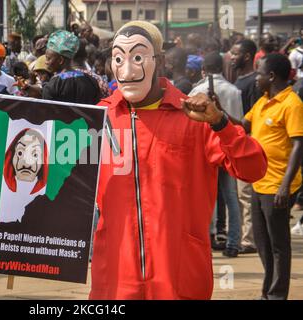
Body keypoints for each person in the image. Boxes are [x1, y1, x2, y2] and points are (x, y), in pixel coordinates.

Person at [89, 21, 267, 300]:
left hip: (178, 276)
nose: (127, 70)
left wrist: (221, 123)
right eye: (118, 58)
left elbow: (253, 169)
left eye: (137, 57)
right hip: (115, 277)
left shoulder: (195, 116)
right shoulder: (98, 119)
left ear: (159, 62)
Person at [238, 54, 303, 300]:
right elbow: (241, 127)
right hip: (259, 181)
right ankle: (268, 291)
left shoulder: (292, 104)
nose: (257, 78)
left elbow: (299, 144)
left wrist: (285, 187)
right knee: (263, 243)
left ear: (272, 76)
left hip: (277, 185)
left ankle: (277, 295)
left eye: (260, 73)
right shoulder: (264, 101)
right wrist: (218, 113)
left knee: (278, 245)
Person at [189, 52, 244, 258]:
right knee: (231, 197)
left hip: (207, 149)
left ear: (204, 68)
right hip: (228, 146)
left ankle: (209, 237)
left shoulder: (197, 90)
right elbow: (238, 122)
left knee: (207, 195)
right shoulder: (234, 90)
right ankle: (233, 242)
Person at [230, 39, 262, 254]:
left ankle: (249, 240)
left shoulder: (252, 83)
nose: (232, 57)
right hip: (237, 144)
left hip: (248, 144)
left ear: (247, 56)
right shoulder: (238, 80)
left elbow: (252, 119)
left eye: (235, 53)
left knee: (245, 195)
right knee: (240, 196)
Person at [42, 30, 101, 105]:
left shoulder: (53, 86)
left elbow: (48, 113)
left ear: (60, 60)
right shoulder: (91, 81)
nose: (46, 62)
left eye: (48, 58)